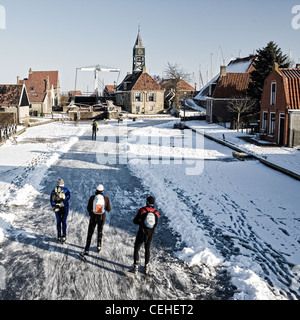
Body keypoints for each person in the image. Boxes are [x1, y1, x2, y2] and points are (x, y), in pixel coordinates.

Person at [130, 196, 159, 275]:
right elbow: (155, 224)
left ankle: (135, 267)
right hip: (150, 233)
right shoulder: (156, 213)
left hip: (141, 232)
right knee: (147, 248)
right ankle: (146, 267)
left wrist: (141, 222)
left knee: (137, 248)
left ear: (147, 202)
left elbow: (135, 221)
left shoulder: (142, 210)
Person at [81, 184, 111, 256]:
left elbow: (88, 208)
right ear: (102, 191)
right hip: (101, 218)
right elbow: (109, 209)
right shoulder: (106, 198)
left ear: (96, 190)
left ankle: (87, 249)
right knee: (100, 231)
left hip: (93, 218)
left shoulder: (92, 198)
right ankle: (99, 246)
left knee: (90, 232)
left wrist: (91, 213)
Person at [50, 179, 71, 243]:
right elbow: (68, 197)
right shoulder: (66, 190)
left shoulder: (53, 191)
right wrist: (62, 203)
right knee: (63, 221)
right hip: (65, 208)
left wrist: (54, 206)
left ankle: (59, 235)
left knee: (59, 222)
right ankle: (63, 235)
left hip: (57, 208)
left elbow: (51, 200)